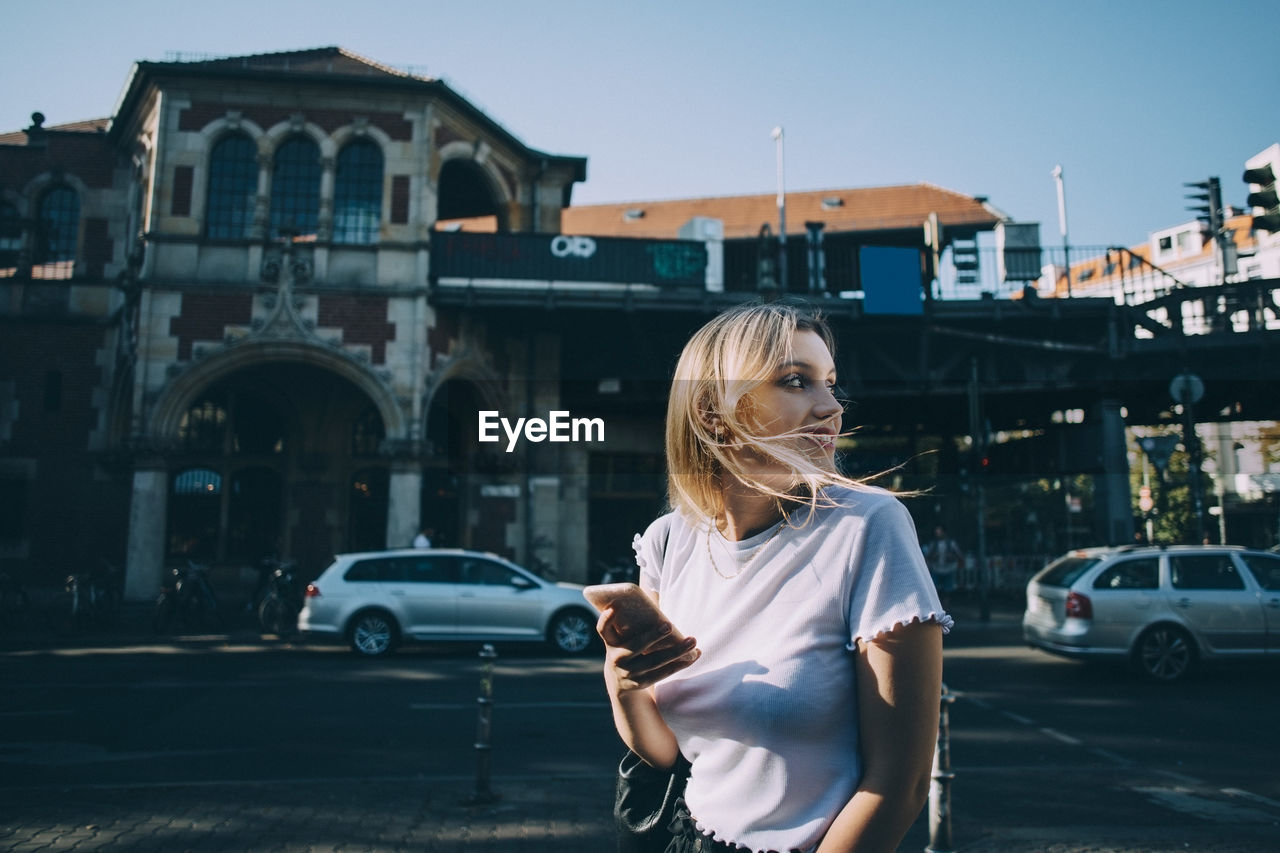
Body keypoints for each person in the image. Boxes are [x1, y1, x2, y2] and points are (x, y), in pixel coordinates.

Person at [597, 301, 951, 853]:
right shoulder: (670, 540)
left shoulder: (869, 526)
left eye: (831, 383)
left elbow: (898, 786)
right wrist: (624, 689)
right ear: (714, 412)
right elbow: (666, 753)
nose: (831, 407)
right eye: (796, 381)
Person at [922, 525, 964, 610]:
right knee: (935, 591)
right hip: (936, 569)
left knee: (947, 592)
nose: (938, 534)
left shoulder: (951, 543)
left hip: (949, 570)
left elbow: (959, 556)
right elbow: (928, 557)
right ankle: (937, 609)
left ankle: (946, 609)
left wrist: (952, 557)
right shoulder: (933, 544)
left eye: (940, 532)